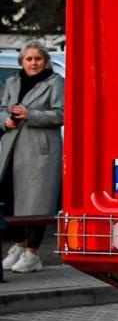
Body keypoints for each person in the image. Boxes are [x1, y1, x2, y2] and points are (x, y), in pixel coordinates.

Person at [0, 43, 65, 274]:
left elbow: (61, 114)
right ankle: (18, 247)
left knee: (37, 203)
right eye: (29, 59)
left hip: (40, 152)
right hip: (13, 148)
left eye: (38, 58)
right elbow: (2, 108)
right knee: (12, 199)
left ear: (45, 61)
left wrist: (31, 114)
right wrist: (5, 120)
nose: (33, 62)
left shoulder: (54, 82)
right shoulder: (12, 82)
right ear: (22, 62)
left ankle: (33, 253)